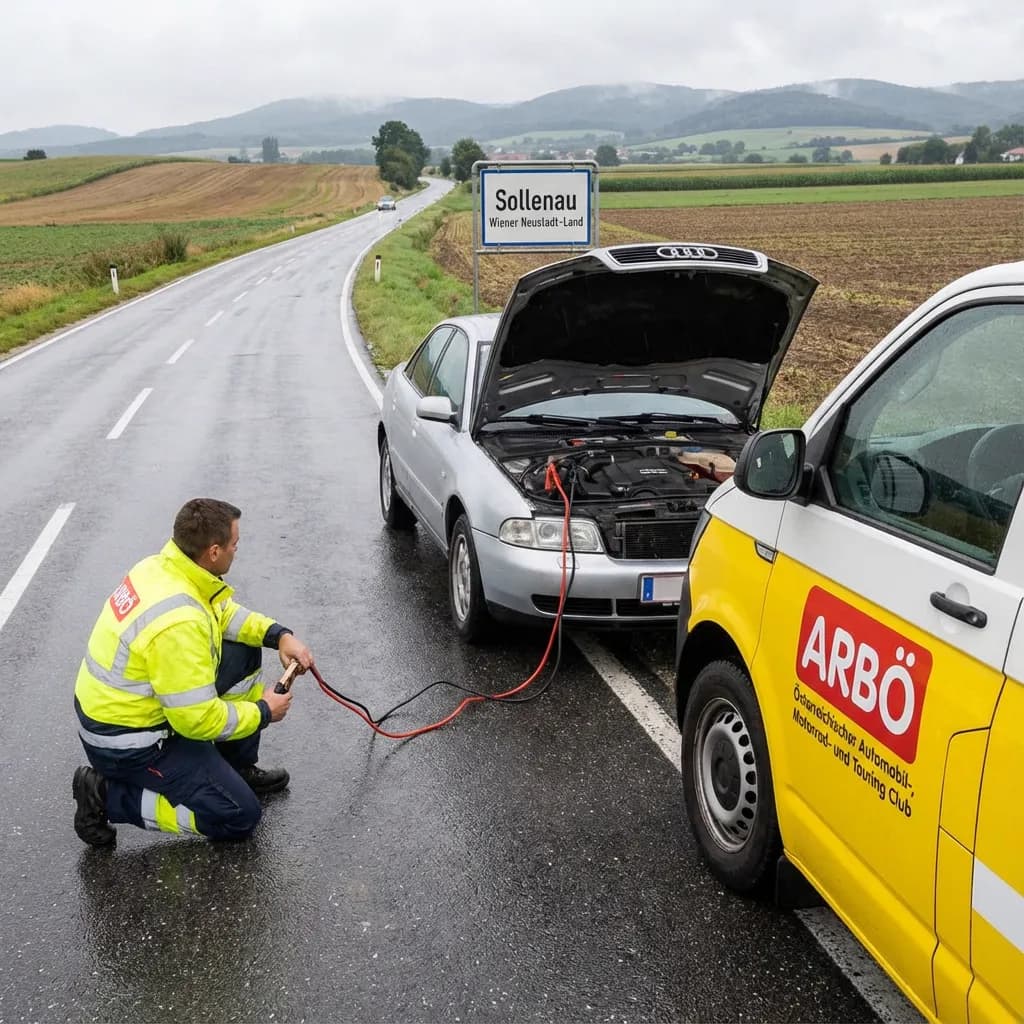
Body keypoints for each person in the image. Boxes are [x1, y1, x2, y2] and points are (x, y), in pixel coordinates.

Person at [71, 498, 315, 847]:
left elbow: (223, 614)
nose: (237, 550)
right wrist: (263, 711)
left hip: (133, 710)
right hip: (129, 742)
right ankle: (106, 795)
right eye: (234, 544)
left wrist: (279, 636)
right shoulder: (178, 623)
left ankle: (236, 769)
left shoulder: (164, 568)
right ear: (214, 551)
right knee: (238, 815)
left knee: (243, 649)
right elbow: (196, 719)